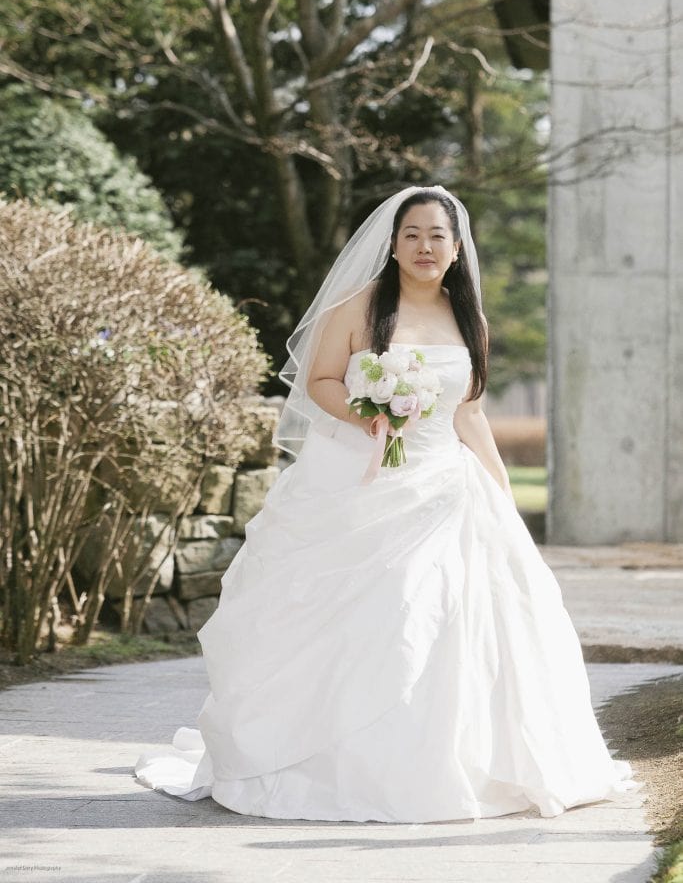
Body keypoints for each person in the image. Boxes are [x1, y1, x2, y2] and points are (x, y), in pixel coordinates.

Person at [133, 184, 641, 823]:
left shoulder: (469, 320)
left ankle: (457, 761)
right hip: (360, 481)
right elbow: (319, 380)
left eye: (438, 236)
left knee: (454, 618)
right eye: (412, 235)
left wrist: (501, 495)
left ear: (456, 250)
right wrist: (372, 412)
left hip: (447, 486)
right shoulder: (359, 306)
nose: (425, 247)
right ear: (394, 243)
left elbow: (471, 413)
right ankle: (340, 763)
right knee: (381, 613)